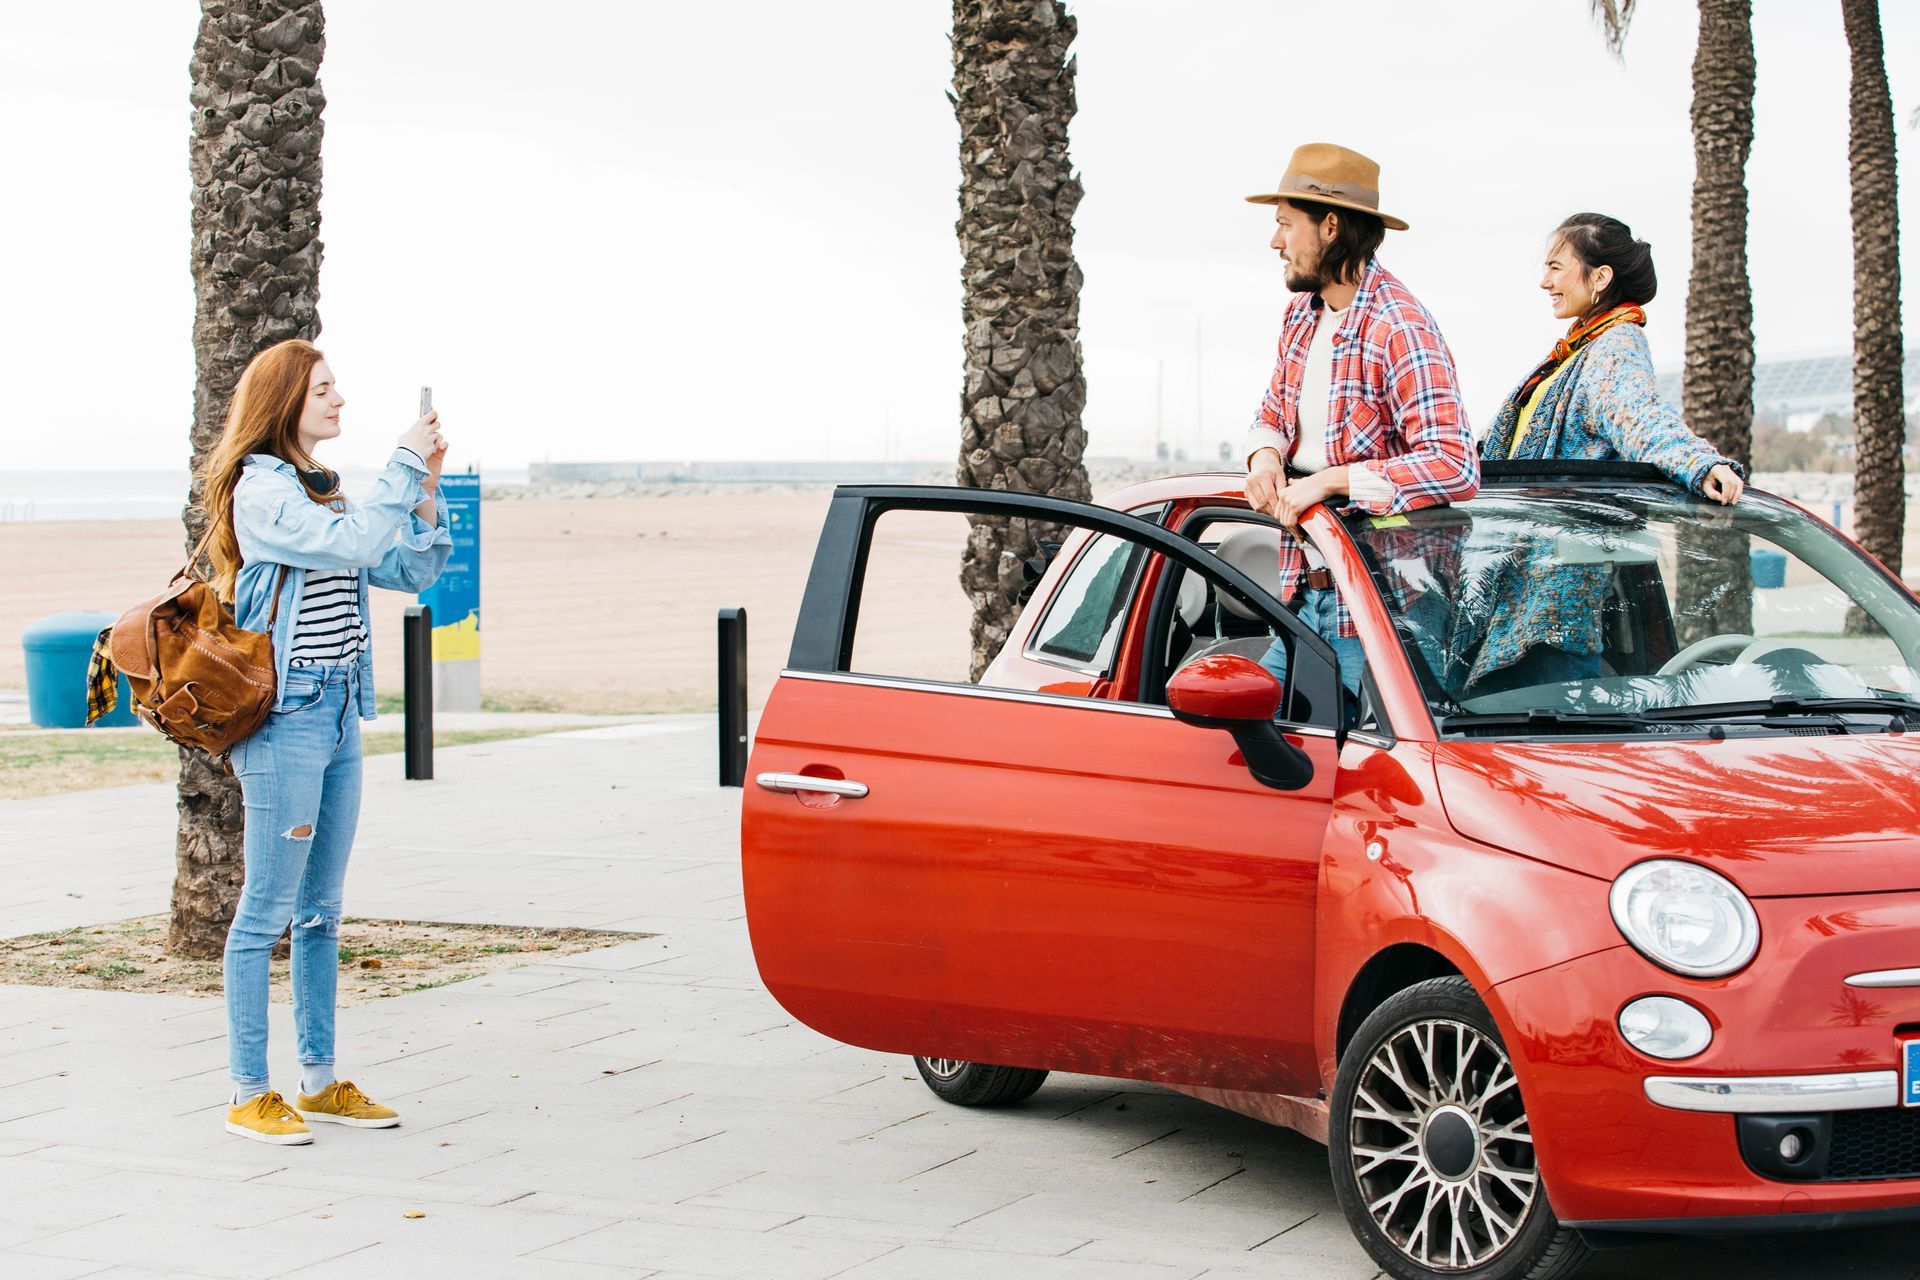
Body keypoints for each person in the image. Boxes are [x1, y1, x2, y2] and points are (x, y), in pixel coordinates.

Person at [198, 339, 452, 1144]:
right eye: (323, 392)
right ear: (284, 406)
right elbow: (345, 546)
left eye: (338, 388)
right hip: (288, 719)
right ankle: (248, 1090)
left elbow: (406, 571)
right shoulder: (263, 492)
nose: (340, 402)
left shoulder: (325, 492)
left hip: (339, 711)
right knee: (265, 910)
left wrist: (424, 494)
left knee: (320, 912)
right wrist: (401, 467)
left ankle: (316, 1080)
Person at [1463, 213, 1745, 695]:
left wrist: (1700, 464)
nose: (1544, 281)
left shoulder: (1615, 345)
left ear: (1600, 278)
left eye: (1556, 267)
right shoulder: (1580, 347)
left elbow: (1639, 415)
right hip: (1530, 599)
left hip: (1551, 611)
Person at [1241, 142, 1478, 699]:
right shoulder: (1301, 315)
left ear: (1328, 227)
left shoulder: (1400, 325)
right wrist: (1265, 456)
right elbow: (1272, 412)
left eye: (1284, 225)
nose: (1275, 242)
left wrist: (1328, 482)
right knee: (1240, 757)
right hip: (1303, 598)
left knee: (1360, 783)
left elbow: (1454, 464)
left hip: (1387, 618)